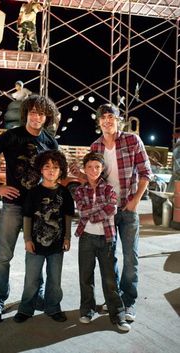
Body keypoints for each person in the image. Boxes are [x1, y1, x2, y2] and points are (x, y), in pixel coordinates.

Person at [0, 94, 60, 322]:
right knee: (4, 255)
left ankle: (35, 296)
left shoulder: (50, 141)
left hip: (39, 209)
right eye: (32, 112)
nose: (36, 117)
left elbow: (58, 172)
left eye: (41, 113)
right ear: (26, 114)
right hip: (13, 205)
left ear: (47, 116)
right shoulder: (12, 136)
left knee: (37, 254)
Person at [70, 103, 152, 322]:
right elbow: (93, 177)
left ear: (119, 120)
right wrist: (78, 174)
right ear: (99, 122)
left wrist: (135, 201)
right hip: (106, 211)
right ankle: (115, 299)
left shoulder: (132, 140)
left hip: (127, 207)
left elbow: (146, 173)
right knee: (109, 258)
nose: (107, 120)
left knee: (130, 256)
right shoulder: (95, 147)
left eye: (111, 116)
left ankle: (129, 301)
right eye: (103, 117)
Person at [14, 150, 74, 323]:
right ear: (41, 169)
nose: (51, 170)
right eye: (47, 166)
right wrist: (27, 239)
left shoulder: (64, 193)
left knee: (55, 279)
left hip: (57, 244)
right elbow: (27, 216)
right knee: (32, 279)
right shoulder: (33, 192)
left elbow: (68, 216)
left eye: (55, 167)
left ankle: (53, 307)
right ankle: (26, 308)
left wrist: (67, 237)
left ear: (60, 170)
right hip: (35, 244)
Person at [74, 152, 131, 331]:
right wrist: (99, 209)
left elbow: (112, 208)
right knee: (85, 276)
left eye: (97, 167)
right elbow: (82, 211)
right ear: (84, 168)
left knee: (110, 278)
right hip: (86, 238)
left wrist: (93, 212)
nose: (93, 170)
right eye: (89, 167)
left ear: (102, 169)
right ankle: (87, 310)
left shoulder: (109, 189)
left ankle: (118, 315)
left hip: (106, 238)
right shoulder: (79, 190)